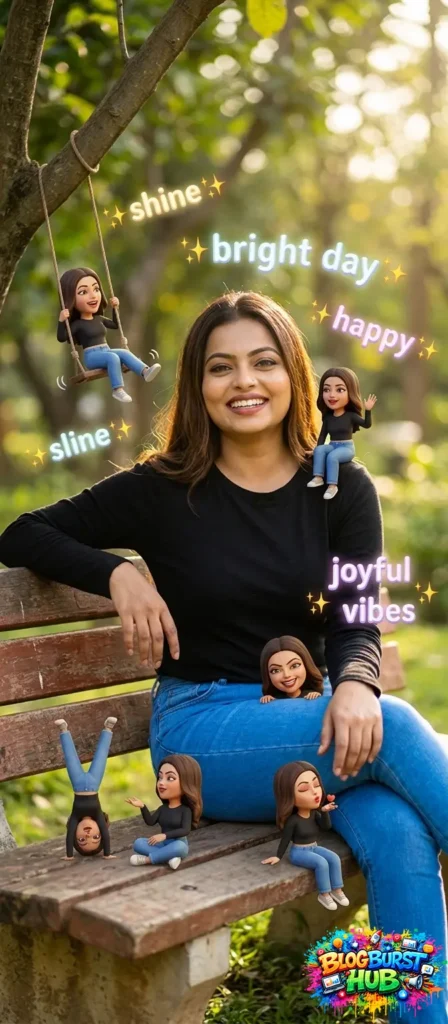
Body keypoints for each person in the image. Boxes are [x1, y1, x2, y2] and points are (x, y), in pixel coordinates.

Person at [0, 290, 446, 1022]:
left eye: (264, 362)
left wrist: (356, 681)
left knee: (398, 831)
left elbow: (356, 620)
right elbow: (21, 533)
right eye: (221, 367)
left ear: (293, 375)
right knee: (393, 728)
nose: (245, 382)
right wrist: (120, 572)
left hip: (312, 724)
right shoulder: (163, 490)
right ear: (197, 386)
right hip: (203, 731)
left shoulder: (341, 488)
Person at [57, 267, 160, 402]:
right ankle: (118, 390)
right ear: (71, 298)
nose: (93, 295)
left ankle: (145, 371)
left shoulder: (99, 319)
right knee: (113, 358)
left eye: (96, 289)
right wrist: (61, 320)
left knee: (124, 353)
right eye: (83, 292)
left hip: (106, 350)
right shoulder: (78, 324)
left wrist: (114, 309)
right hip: (92, 356)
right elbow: (62, 337)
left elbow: (115, 325)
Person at [261, 761, 348, 911]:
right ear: (289, 796)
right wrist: (278, 856)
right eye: (304, 789)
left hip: (314, 847)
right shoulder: (293, 821)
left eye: (316, 785)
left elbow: (326, 827)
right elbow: (286, 839)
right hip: (298, 852)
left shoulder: (315, 814)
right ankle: (324, 894)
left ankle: (337, 890)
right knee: (321, 863)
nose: (315, 792)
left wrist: (325, 812)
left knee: (333, 857)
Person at [307, 367, 376, 499]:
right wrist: (315, 450)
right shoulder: (328, 417)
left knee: (333, 457)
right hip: (332, 444)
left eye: (340, 390)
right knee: (321, 450)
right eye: (327, 390)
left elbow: (367, 425)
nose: (332, 395)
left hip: (346, 448)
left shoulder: (350, 416)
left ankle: (332, 486)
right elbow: (323, 435)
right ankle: (318, 477)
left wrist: (368, 411)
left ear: (350, 393)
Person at [56, 715, 117, 859]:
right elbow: (106, 836)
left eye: (82, 840)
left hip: (77, 782)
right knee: (101, 757)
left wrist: (69, 856)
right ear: (101, 831)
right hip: (94, 782)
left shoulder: (75, 817)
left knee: (70, 757)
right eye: (96, 837)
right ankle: (108, 729)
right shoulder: (97, 814)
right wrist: (107, 854)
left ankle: (64, 730)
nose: (88, 834)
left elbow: (68, 835)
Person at [126, 754, 202, 869]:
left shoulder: (185, 810)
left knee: (179, 847)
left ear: (186, 783)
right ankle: (169, 857)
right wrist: (142, 806)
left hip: (177, 843)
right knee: (138, 843)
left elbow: (185, 830)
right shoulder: (163, 809)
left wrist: (164, 835)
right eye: (160, 777)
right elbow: (150, 822)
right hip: (162, 845)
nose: (161, 783)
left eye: (170, 778)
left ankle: (148, 859)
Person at [260, 635, 323, 702]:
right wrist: (267, 699)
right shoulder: (276, 699)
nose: (287, 675)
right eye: (276, 670)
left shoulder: (308, 694)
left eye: (295, 666)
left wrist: (315, 695)